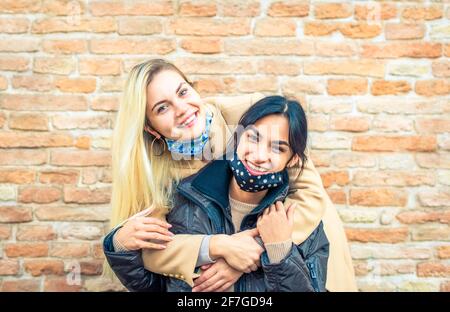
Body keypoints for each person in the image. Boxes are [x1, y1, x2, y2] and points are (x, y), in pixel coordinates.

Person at [105, 59, 356, 291]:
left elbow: (309, 194)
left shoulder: (251, 114)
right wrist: (221, 247)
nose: (182, 109)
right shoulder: (155, 170)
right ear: (151, 128)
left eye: (183, 92)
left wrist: (251, 251)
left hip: (302, 236)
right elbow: (152, 248)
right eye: (162, 108)